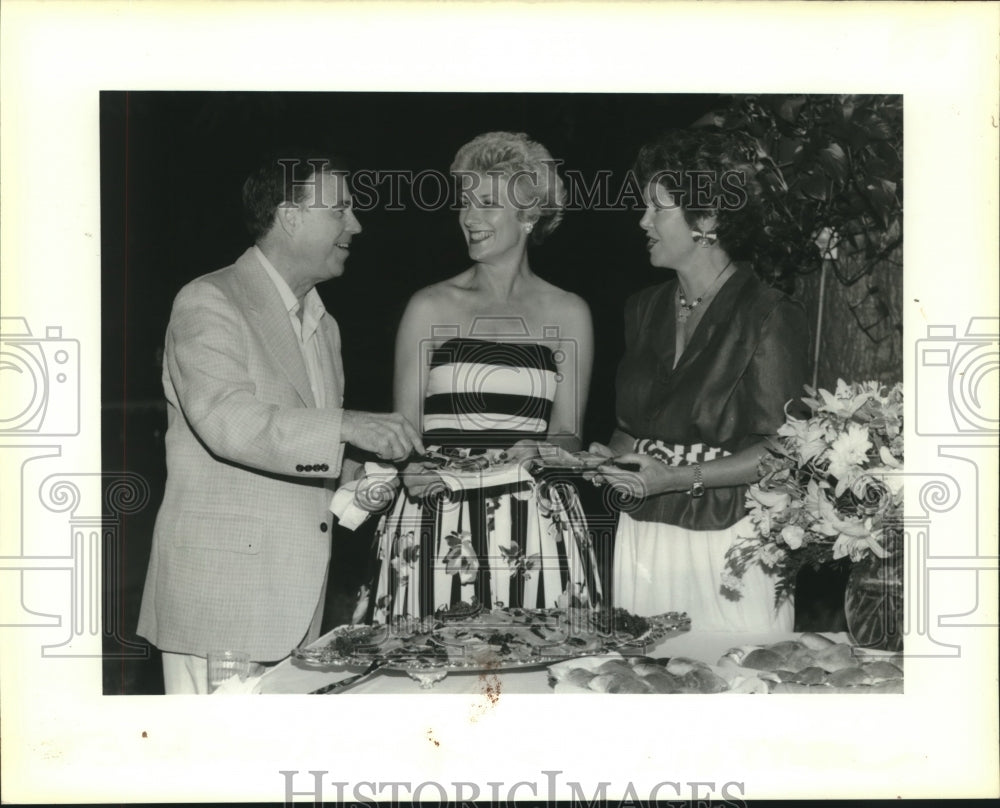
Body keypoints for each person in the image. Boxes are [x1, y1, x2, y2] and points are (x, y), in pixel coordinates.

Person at [137, 148, 424, 693]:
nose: (356, 226)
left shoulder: (323, 323)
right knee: (215, 770)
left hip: (295, 609)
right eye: (340, 210)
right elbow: (227, 421)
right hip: (223, 609)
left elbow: (299, 444)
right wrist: (346, 427)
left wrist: (357, 478)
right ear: (290, 216)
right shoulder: (209, 300)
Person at [366, 132, 602, 622]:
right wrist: (411, 469)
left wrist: (546, 448)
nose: (469, 219)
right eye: (465, 203)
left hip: (534, 521)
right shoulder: (429, 306)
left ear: (530, 214)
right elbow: (402, 431)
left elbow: (570, 434)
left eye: (488, 203)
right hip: (436, 516)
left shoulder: (569, 312)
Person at [592, 128, 809, 632]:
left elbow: (784, 453)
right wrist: (608, 456)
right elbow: (632, 426)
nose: (642, 221)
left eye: (657, 209)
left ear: (707, 219)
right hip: (642, 536)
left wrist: (675, 477)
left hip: (729, 539)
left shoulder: (770, 312)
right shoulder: (641, 308)